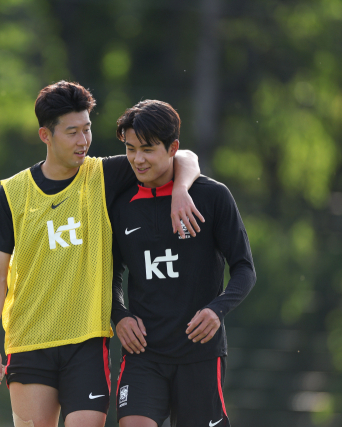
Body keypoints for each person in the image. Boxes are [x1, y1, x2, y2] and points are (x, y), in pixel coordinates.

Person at [0, 81, 204, 427]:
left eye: (87, 129)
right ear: (45, 135)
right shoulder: (12, 194)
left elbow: (184, 156)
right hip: (29, 341)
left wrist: (181, 191)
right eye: (72, 132)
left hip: (86, 340)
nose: (83, 141)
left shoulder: (103, 175)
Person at [110, 100, 257, 427]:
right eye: (130, 149)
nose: (137, 159)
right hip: (144, 352)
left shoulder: (213, 197)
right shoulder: (119, 204)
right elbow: (109, 274)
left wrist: (217, 309)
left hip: (200, 354)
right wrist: (118, 316)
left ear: (173, 147)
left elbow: (244, 268)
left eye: (147, 149)